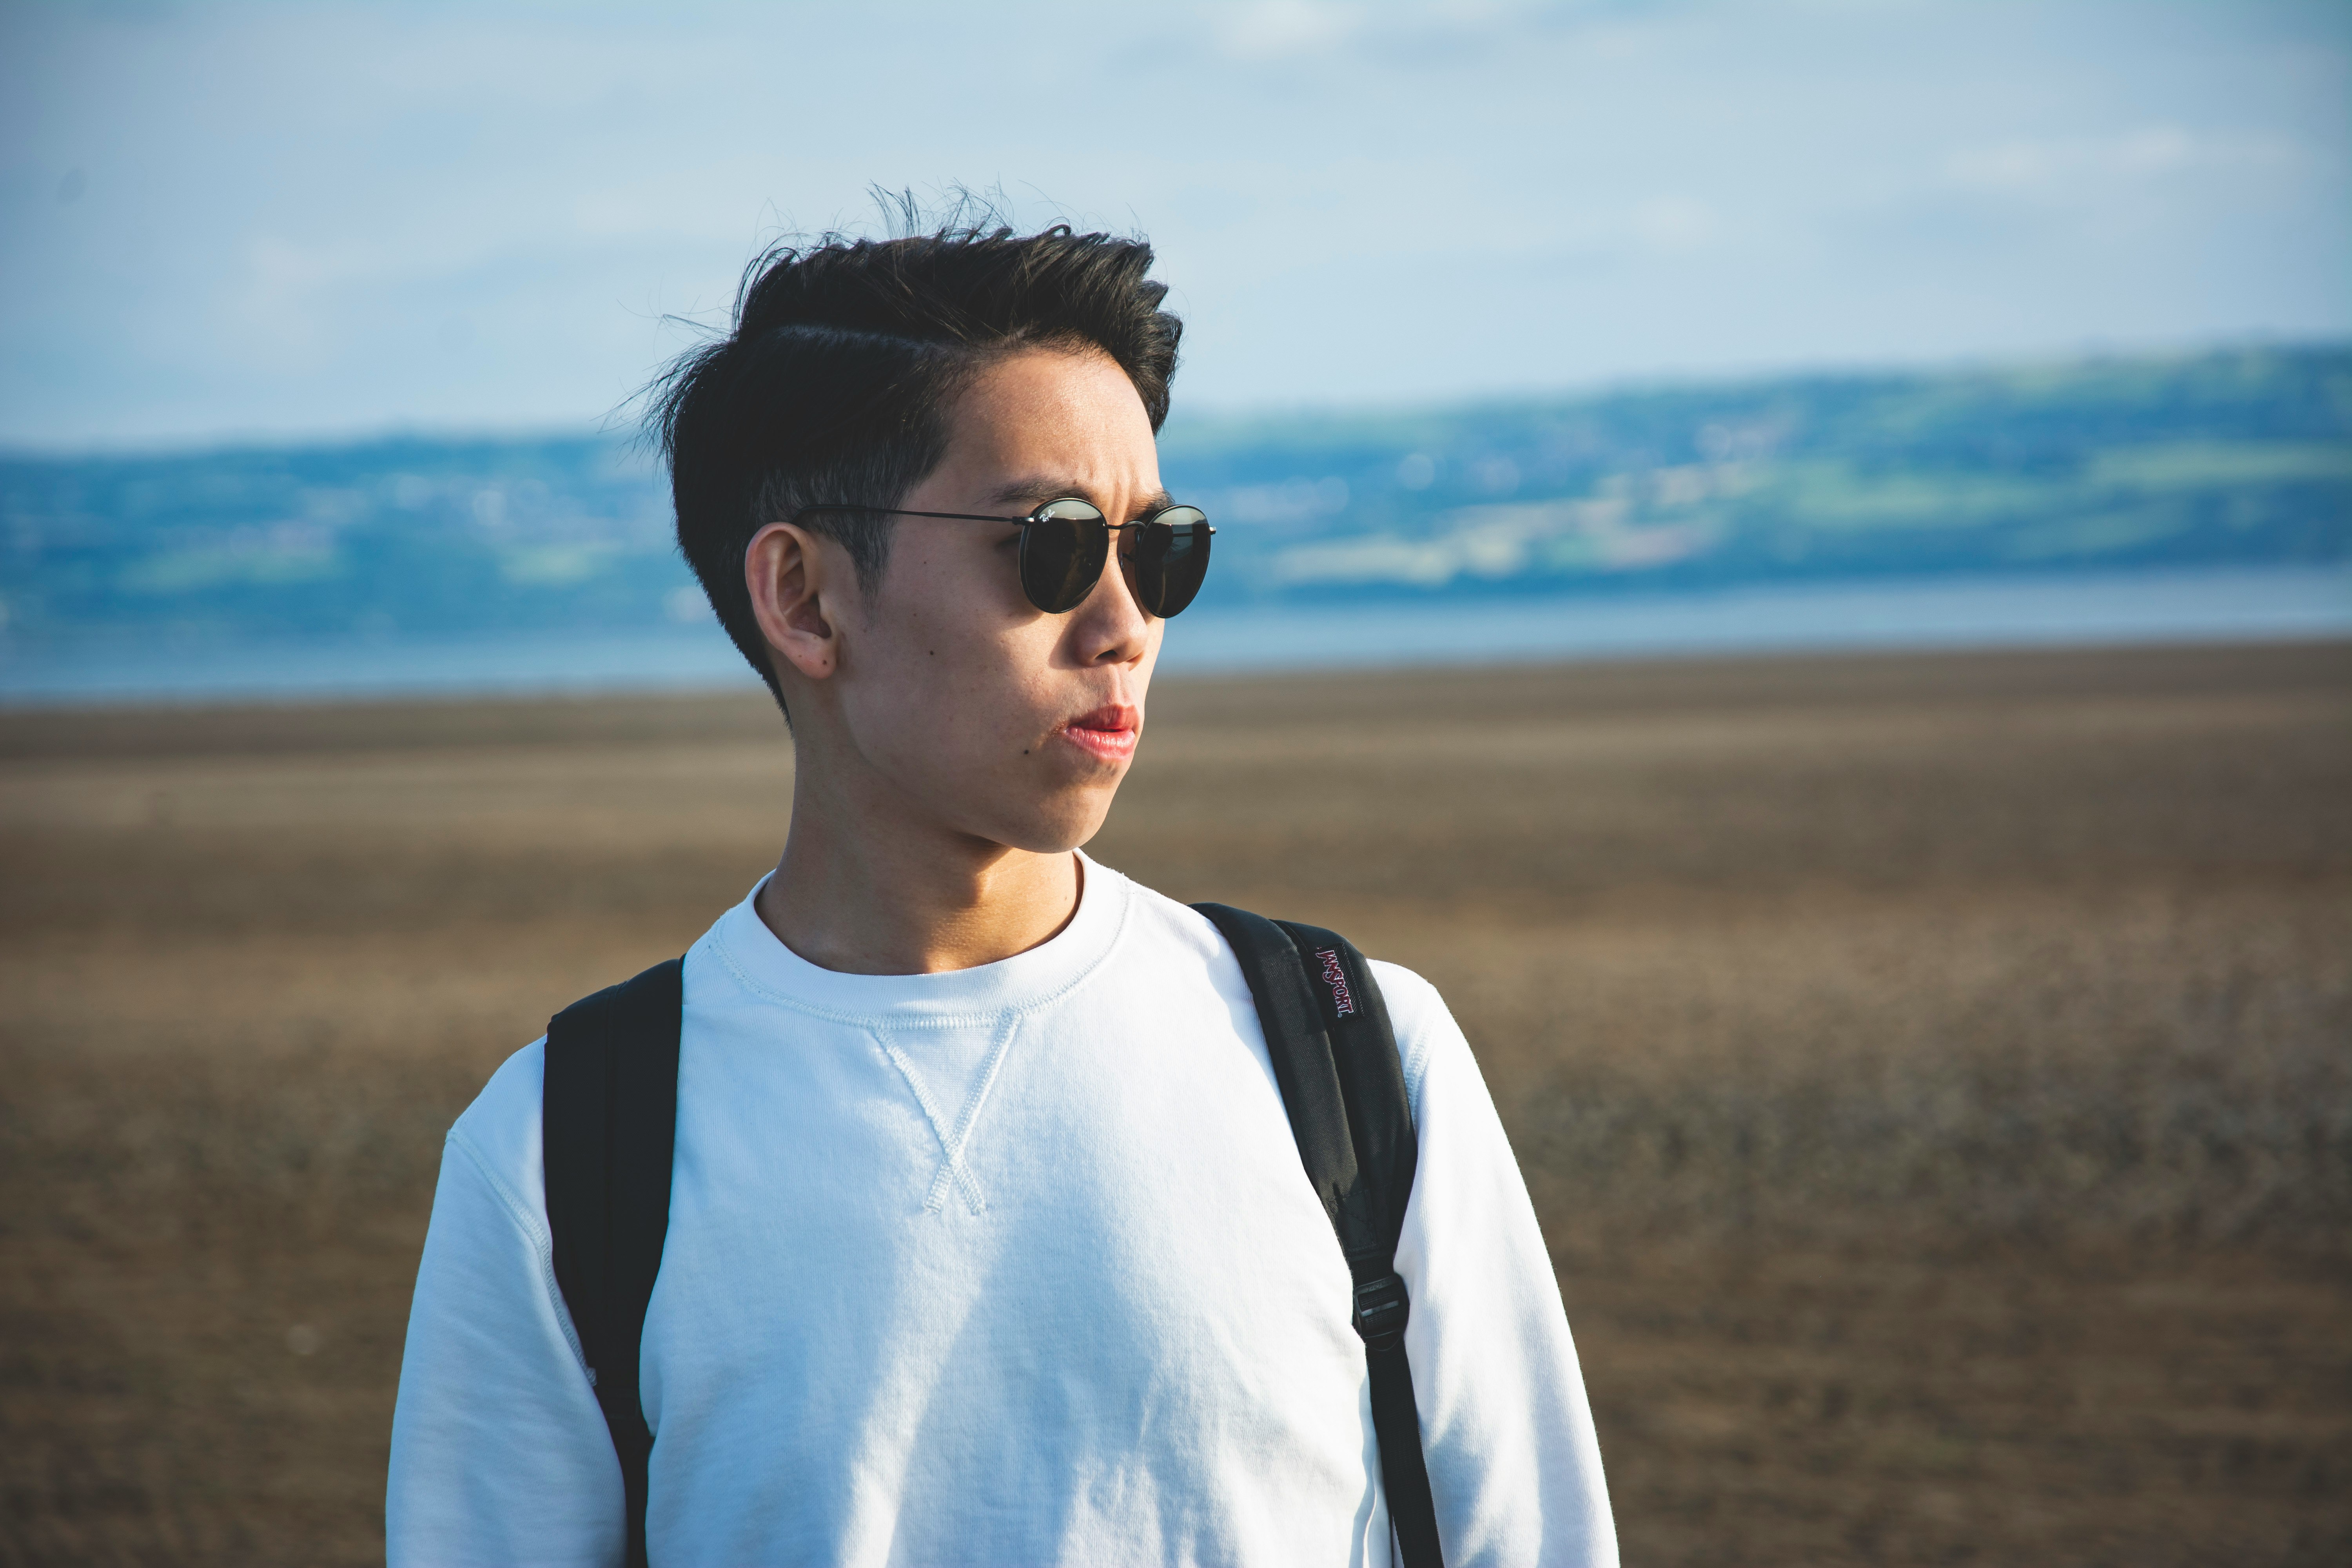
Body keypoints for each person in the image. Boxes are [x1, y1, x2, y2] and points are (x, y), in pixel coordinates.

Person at [386, 219, 1617, 1566]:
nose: (1125, 623)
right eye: (1051, 545)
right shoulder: (566, 1148)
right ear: (802, 597)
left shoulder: (1351, 1054)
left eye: (1160, 550)